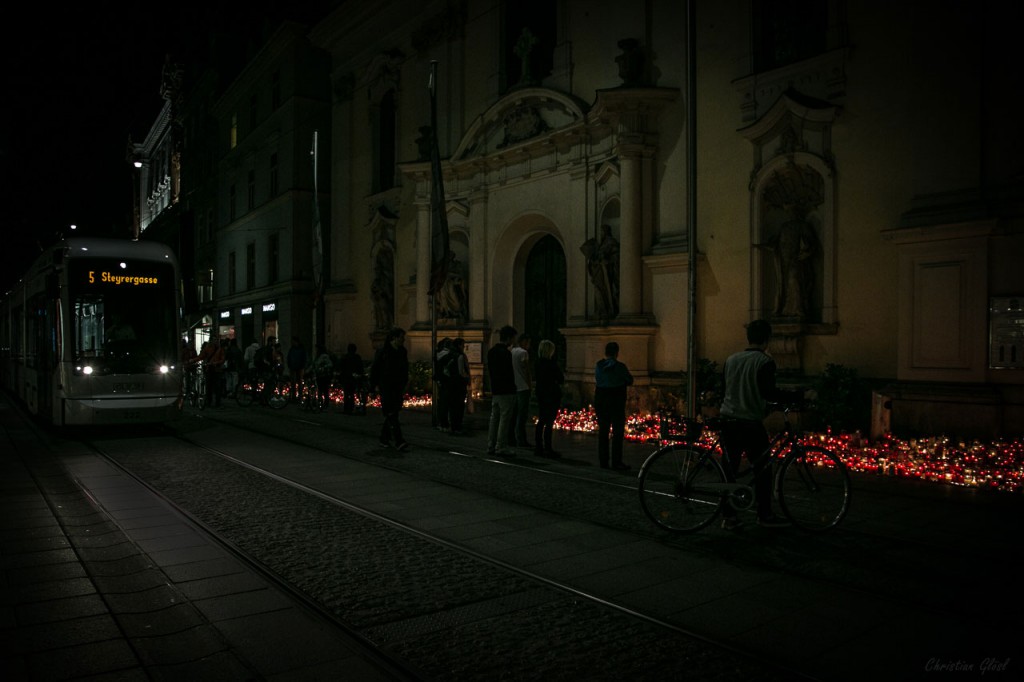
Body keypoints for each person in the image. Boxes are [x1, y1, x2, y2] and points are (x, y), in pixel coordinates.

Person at [719, 319, 809, 530]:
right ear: (767, 339)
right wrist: (794, 398)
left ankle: (728, 515)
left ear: (748, 337)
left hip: (728, 419)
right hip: (749, 421)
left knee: (730, 468)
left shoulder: (731, 359)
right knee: (762, 468)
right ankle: (764, 513)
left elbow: (726, 389)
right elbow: (768, 392)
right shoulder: (764, 361)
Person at [594, 341, 633, 471]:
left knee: (603, 432)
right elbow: (629, 380)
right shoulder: (620, 367)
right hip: (616, 401)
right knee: (617, 432)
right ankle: (616, 461)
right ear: (617, 353)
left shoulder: (599, 365)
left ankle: (603, 460)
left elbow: (598, 380)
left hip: (601, 400)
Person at [369, 327, 409, 450]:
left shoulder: (402, 351)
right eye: (401, 337)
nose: (403, 340)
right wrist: (372, 387)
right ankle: (399, 440)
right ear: (394, 338)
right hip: (386, 386)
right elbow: (375, 369)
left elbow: (405, 368)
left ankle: (384, 438)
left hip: (398, 387)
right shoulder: (383, 352)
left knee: (393, 413)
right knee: (391, 413)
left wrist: (405, 383)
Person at [486, 325, 518, 457]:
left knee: (494, 418)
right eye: (513, 338)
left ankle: (491, 444)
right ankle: (501, 446)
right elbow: (509, 373)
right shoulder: (506, 353)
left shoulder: (491, 351)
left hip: (495, 389)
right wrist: (513, 388)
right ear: (509, 338)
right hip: (506, 390)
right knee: (505, 419)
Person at [533, 339, 564, 458]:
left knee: (541, 420)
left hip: (541, 393)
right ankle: (548, 447)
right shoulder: (551, 364)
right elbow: (560, 378)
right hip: (551, 394)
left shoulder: (537, 363)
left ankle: (538, 447)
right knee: (549, 422)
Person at [508, 333, 533, 448]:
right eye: (528, 343)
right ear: (523, 342)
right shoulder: (523, 353)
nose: (529, 346)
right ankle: (521, 439)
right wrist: (530, 384)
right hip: (523, 387)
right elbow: (527, 371)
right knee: (521, 416)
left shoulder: (511, 351)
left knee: (513, 414)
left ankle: (511, 438)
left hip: (513, 386)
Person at [444, 337, 471, 435]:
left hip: (450, 384)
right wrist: (467, 378)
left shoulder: (450, 355)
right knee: (459, 406)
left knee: (452, 406)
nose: (464, 347)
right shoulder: (460, 356)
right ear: (459, 345)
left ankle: (452, 426)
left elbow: (446, 370)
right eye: (463, 345)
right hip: (459, 385)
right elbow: (461, 372)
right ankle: (457, 427)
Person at [433, 338, 453, 431]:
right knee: (445, 403)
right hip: (446, 381)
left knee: (441, 402)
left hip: (440, 380)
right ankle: (444, 423)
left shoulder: (437, 354)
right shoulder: (449, 355)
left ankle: (441, 422)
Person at [340, 343, 365, 415]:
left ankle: (347, 408)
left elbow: (341, 367)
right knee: (352, 393)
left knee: (347, 393)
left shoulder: (345, 357)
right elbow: (360, 367)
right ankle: (351, 407)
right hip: (354, 377)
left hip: (347, 378)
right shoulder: (357, 357)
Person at [312, 344, 334, 411]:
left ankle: (324, 404)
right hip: (319, 375)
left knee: (324, 390)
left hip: (324, 375)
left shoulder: (324, 356)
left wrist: (323, 368)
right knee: (321, 390)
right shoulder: (317, 357)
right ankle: (321, 403)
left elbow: (330, 364)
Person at [286, 336, 308, 401]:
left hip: (299, 368)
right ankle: (294, 396)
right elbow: (289, 357)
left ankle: (300, 396)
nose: (292, 343)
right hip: (293, 368)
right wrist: (289, 365)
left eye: (293, 341)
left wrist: (302, 366)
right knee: (293, 383)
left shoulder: (301, 349)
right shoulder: (292, 349)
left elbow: (304, 358)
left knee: (299, 383)